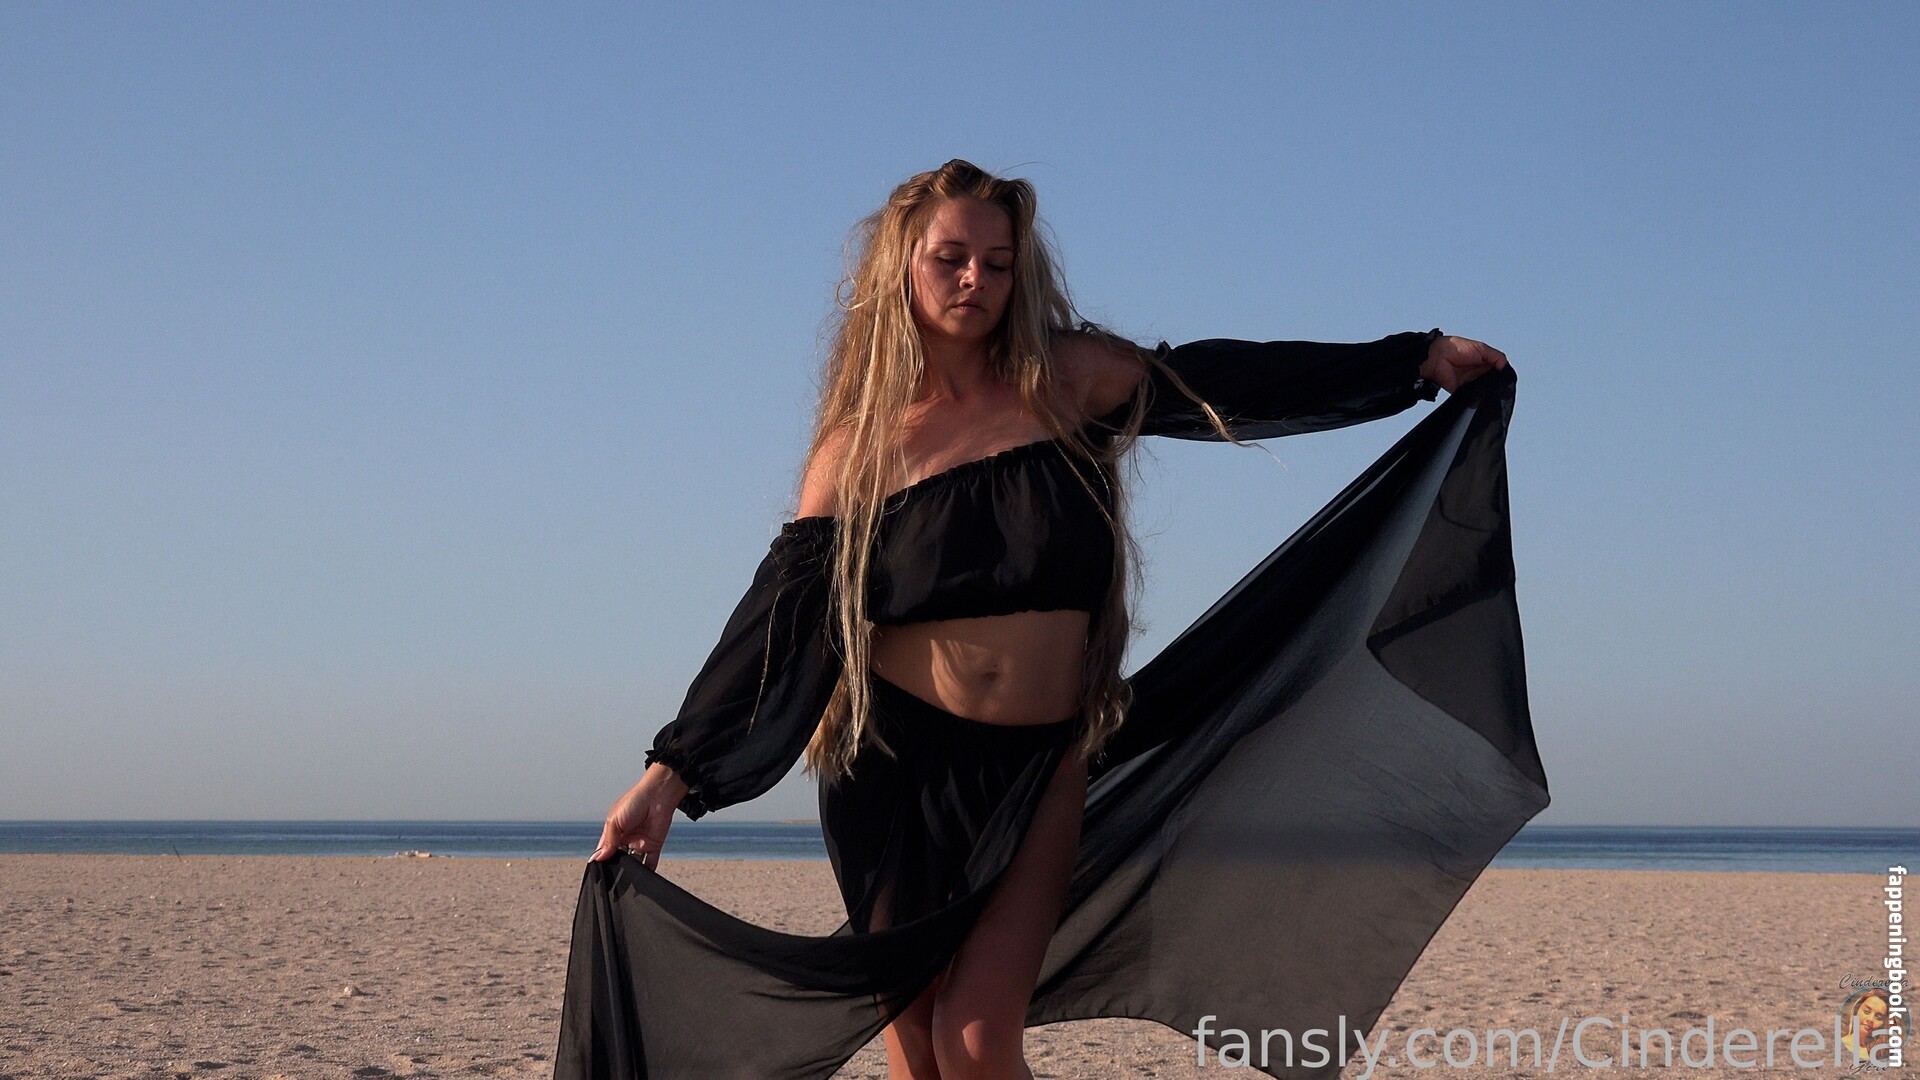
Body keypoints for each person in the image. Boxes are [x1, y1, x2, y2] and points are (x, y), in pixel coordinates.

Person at [556, 160, 1542, 1080]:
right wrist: (669, 773)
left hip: (1039, 764)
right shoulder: (858, 451)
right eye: (950, 258)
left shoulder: (1070, 382)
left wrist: (1412, 363)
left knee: (978, 1041)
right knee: (922, 1057)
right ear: (900, 268)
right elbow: (776, 623)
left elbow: (1229, 381)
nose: (975, 279)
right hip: (889, 770)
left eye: (997, 262)